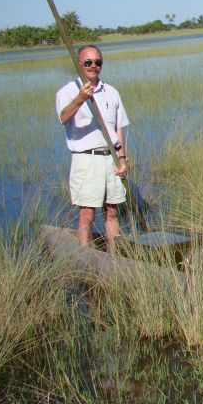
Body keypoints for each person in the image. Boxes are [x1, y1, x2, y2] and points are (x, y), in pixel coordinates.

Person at [55, 44, 129, 252]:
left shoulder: (111, 92)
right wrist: (80, 99)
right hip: (86, 158)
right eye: (88, 62)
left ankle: (115, 258)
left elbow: (118, 129)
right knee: (87, 212)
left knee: (112, 211)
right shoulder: (68, 91)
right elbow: (63, 117)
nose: (93, 66)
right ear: (79, 64)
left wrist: (122, 159)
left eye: (97, 62)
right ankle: (84, 256)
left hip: (111, 157)